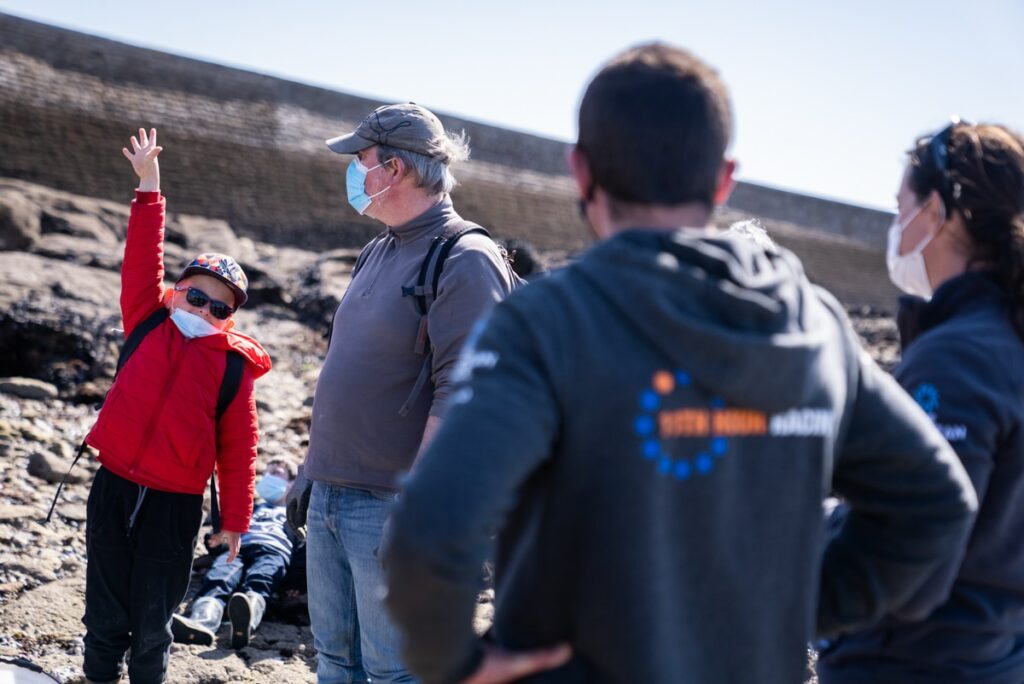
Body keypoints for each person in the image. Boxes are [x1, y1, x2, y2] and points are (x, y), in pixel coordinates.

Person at [380, 44, 978, 684]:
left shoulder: (550, 321)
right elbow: (935, 504)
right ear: (724, 180)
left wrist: (454, 659)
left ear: (581, 173)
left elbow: (429, 530)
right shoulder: (812, 322)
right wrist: (796, 608)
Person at [286, 103, 519, 683]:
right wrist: (311, 471)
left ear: (393, 170)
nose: (353, 173)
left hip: (389, 508)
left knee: (398, 671)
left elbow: (464, 393)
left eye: (360, 160)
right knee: (336, 659)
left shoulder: (465, 258)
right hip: (331, 494)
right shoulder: (379, 248)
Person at [817, 122, 1024, 683]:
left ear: (936, 212)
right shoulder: (1004, 342)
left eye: (899, 206)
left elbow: (919, 554)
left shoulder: (959, 359)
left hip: (910, 663)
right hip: (994, 658)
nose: (896, 225)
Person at [81, 128, 272, 684]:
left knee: (154, 616)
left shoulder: (233, 367)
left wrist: (235, 520)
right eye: (196, 295)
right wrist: (149, 187)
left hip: (175, 506)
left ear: (228, 319)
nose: (204, 309)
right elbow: (141, 257)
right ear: (176, 290)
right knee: (105, 604)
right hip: (113, 485)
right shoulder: (147, 318)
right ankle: (96, 676)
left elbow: (240, 449)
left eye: (219, 308)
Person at [172, 459, 298, 649]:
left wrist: (295, 582)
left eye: (277, 473)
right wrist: (215, 540)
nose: (268, 477)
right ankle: (202, 623)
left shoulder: (295, 515)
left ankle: (246, 623)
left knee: (260, 580)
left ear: (292, 484)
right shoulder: (253, 507)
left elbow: (302, 549)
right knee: (219, 577)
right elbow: (227, 529)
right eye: (267, 473)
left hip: (274, 550)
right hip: (237, 547)